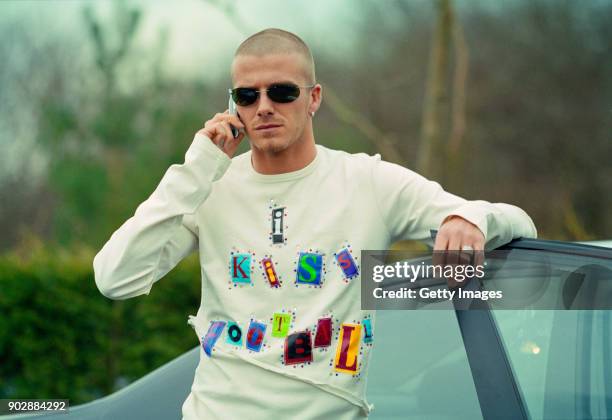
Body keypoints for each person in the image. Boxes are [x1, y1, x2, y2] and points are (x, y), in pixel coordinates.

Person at [93, 28, 537, 420]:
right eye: (247, 96)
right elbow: (115, 277)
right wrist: (195, 169)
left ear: (314, 98)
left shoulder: (367, 182)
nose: (263, 107)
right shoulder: (208, 186)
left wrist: (468, 217)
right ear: (233, 106)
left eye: (282, 92)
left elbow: (520, 223)